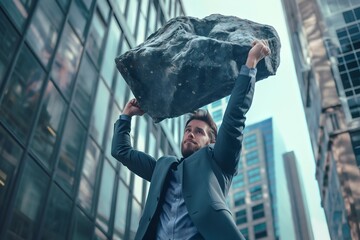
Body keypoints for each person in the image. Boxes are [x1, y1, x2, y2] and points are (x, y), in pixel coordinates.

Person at [111, 40, 271, 240]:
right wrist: (126, 116)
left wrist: (251, 62)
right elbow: (121, 152)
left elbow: (234, 118)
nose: (191, 134)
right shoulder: (163, 168)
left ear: (212, 142)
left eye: (199, 132)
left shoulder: (219, 163)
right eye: (188, 130)